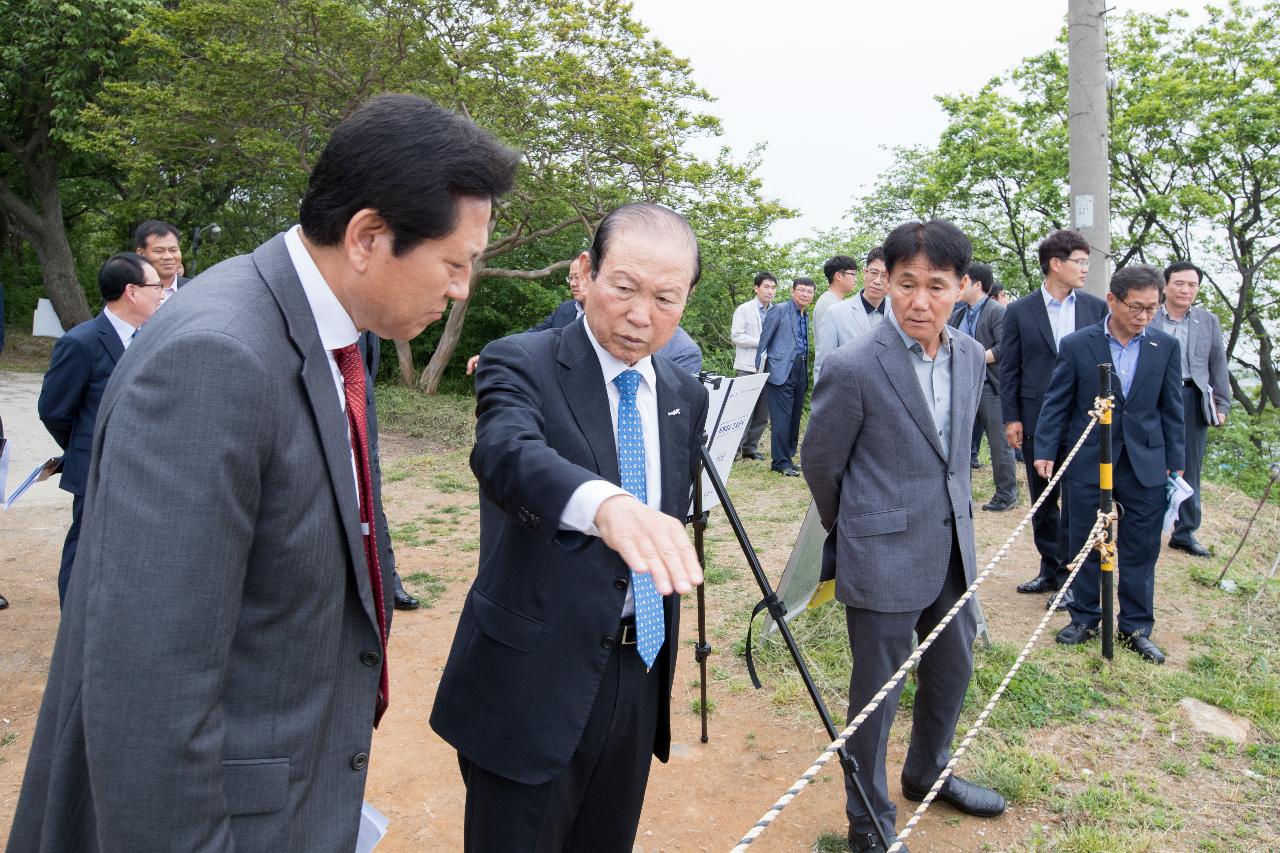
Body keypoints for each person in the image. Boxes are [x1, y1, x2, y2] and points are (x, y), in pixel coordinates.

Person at [9, 93, 518, 852]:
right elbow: (151, 691)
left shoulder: (331, 339)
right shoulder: (215, 356)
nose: (461, 289)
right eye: (455, 262)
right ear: (369, 236)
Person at [430, 203, 708, 852]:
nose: (642, 315)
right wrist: (604, 504)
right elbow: (505, 454)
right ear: (585, 272)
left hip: (639, 670)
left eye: (666, 298)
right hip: (533, 678)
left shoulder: (682, 392)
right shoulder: (520, 360)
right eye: (625, 288)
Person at [803, 219, 1004, 853]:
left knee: (952, 668)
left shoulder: (969, 355)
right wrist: (863, 526)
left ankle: (927, 772)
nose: (920, 301)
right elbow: (820, 463)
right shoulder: (855, 364)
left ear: (960, 287)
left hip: (954, 551)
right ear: (886, 281)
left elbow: (953, 455)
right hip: (883, 554)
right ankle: (869, 824)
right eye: (906, 283)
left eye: (936, 286)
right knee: (876, 698)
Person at [1034, 265, 1185, 664]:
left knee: (1140, 546)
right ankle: (1084, 616)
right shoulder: (1078, 344)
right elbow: (1057, 401)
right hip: (1089, 457)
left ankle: (1135, 627)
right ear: (1113, 301)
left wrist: (1177, 461)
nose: (1144, 316)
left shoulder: (1165, 347)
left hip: (1145, 461)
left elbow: (1172, 409)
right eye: (1137, 307)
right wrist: (1046, 448)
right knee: (1084, 539)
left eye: (1152, 309)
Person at [37, 253, 163, 605]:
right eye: (156, 287)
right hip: (95, 468)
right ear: (132, 291)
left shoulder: (149, 337)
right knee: (83, 552)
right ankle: (73, 631)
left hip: (140, 470)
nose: (162, 294)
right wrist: (86, 445)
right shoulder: (82, 342)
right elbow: (53, 410)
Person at [1000, 229, 1106, 605]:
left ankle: (1071, 576)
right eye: (1079, 262)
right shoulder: (1019, 310)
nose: (1084, 269)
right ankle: (1050, 568)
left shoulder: (1095, 308)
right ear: (1055, 264)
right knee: (1043, 498)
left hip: (1083, 420)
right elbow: (1010, 367)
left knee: (1078, 500)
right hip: (1034, 419)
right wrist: (1011, 417)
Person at [468, 253, 703, 375]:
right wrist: (496, 351)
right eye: (571, 277)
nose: (574, 283)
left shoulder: (681, 351)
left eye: (663, 299)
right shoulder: (565, 311)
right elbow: (533, 336)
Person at [1150, 261, 1231, 557]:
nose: (1185, 290)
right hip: (1153, 397)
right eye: (1179, 283)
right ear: (1165, 286)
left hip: (1191, 397)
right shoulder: (1149, 317)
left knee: (1190, 466)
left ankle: (1184, 531)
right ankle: (1146, 523)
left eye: (1192, 285)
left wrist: (1221, 404)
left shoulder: (1207, 321)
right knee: (1149, 459)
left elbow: (1218, 364)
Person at [948, 262, 1018, 511]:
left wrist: (973, 356)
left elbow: (1004, 348)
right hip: (963, 385)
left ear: (977, 284)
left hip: (991, 386)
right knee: (960, 444)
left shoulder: (996, 311)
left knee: (1000, 443)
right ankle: (959, 495)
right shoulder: (958, 312)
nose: (959, 284)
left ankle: (1006, 494)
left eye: (963, 279)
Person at [359, 330, 420, 610]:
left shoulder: (365, 322)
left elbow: (368, 367)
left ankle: (387, 582)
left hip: (361, 422)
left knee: (373, 503)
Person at [756, 277, 815, 475]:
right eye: (801, 290)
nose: (805, 294)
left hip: (800, 368)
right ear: (792, 291)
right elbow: (764, 341)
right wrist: (760, 370)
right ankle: (779, 462)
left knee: (795, 416)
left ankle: (788, 457)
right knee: (781, 418)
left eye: (809, 291)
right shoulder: (779, 310)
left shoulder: (805, 315)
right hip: (780, 370)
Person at [813, 246, 888, 383]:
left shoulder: (899, 313)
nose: (877, 281)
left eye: (885, 275)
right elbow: (823, 365)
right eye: (873, 272)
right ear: (865, 273)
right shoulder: (835, 313)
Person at [731, 271, 777, 460]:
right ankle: (734, 450)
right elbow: (736, 336)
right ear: (756, 288)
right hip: (748, 367)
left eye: (773, 287)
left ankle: (751, 447)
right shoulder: (744, 309)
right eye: (766, 287)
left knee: (762, 412)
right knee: (742, 410)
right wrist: (761, 341)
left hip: (768, 367)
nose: (770, 291)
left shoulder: (775, 310)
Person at [134, 219, 190, 302]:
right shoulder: (126, 291)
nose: (168, 256)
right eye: (159, 251)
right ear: (141, 254)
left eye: (173, 250)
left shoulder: (193, 289)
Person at [814, 254, 859, 335]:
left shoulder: (833, 300)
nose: (856, 279)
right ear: (838, 276)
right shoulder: (829, 304)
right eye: (853, 274)